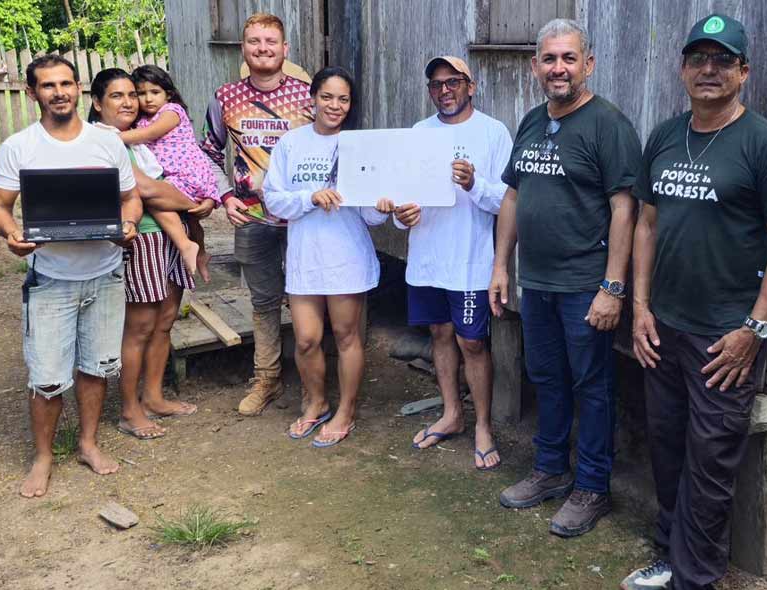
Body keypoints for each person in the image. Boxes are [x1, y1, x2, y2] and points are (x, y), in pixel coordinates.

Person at [621, 15, 767, 590]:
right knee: (668, 450)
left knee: (709, 465)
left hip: (724, 343)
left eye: (722, 60)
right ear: (682, 68)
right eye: (698, 57)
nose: (709, 69)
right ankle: (677, 556)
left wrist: (755, 328)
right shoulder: (666, 138)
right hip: (662, 327)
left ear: (743, 72)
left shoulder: (765, 145)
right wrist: (640, 308)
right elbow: (646, 224)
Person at [489, 19, 642, 536]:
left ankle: (593, 487)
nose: (559, 68)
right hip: (537, 282)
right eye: (550, 59)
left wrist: (613, 287)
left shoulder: (608, 125)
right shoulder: (532, 121)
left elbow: (625, 209)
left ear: (588, 64)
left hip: (585, 286)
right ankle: (550, 470)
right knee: (546, 377)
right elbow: (513, 195)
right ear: (535, 67)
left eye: (569, 58)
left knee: (592, 386)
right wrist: (500, 266)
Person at [0, 55, 141, 498]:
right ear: (32, 93)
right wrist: (11, 233)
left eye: (67, 84)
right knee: (48, 376)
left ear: (78, 89)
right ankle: (43, 457)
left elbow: (130, 200)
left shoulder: (107, 142)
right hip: (50, 278)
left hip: (106, 272)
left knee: (95, 368)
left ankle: (89, 445)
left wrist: (127, 226)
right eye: (48, 86)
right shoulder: (19, 147)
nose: (59, 92)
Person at [262, 67, 390, 447]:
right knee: (305, 338)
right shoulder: (291, 144)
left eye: (343, 99)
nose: (335, 105)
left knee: (348, 336)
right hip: (305, 255)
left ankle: (346, 410)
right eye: (328, 97)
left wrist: (383, 206)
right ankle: (316, 402)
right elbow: (273, 198)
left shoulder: (358, 146)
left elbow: (369, 214)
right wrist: (310, 197)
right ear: (312, 99)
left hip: (346, 255)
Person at [394, 55, 511, 470]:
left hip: (470, 260)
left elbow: (507, 200)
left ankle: (483, 425)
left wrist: (474, 182)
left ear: (470, 86)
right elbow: (403, 195)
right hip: (427, 255)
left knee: (473, 342)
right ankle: (451, 413)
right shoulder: (418, 133)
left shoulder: (493, 132)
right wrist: (400, 215)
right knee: (440, 334)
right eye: (436, 84)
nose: (445, 90)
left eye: (453, 82)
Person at [88, 68, 211, 439]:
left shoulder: (139, 139)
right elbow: (148, 190)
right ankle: (129, 409)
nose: (129, 102)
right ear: (97, 103)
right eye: (117, 96)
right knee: (140, 326)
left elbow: (162, 181)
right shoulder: (103, 141)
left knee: (165, 319)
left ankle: (154, 396)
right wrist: (196, 202)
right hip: (140, 238)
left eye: (132, 94)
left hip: (170, 237)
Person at [201, 12, 315, 416]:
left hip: (305, 220)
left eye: (271, 41)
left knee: (312, 299)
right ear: (244, 49)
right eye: (254, 41)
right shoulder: (225, 97)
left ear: (285, 49)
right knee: (264, 301)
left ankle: (314, 385)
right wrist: (226, 196)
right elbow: (209, 154)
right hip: (252, 219)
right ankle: (267, 378)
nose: (263, 48)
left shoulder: (309, 96)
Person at [118, 64, 218, 280]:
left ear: (168, 94)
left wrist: (111, 138)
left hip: (187, 173)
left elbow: (150, 134)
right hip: (174, 174)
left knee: (154, 199)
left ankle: (185, 245)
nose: (148, 99)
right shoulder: (142, 119)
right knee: (193, 220)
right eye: (141, 93)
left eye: (155, 92)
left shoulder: (172, 111)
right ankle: (200, 252)